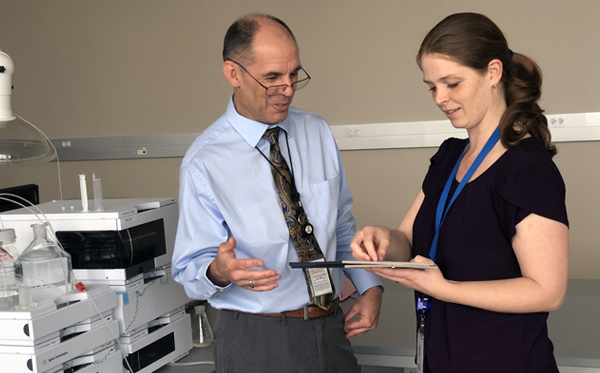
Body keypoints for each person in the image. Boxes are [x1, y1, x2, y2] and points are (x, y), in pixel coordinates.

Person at [350, 12, 569, 373]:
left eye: (452, 83)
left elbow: (548, 291)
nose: (439, 97)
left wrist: (443, 288)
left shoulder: (527, 169)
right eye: (432, 86)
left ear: (494, 73)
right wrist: (383, 239)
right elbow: (407, 239)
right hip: (444, 359)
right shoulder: (450, 156)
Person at [172, 13, 383, 373]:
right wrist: (220, 270)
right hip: (257, 338)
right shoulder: (204, 162)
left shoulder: (316, 131)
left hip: (331, 328)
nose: (287, 88)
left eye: (294, 74)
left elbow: (340, 224)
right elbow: (189, 269)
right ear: (233, 73)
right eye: (272, 77)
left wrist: (370, 288)